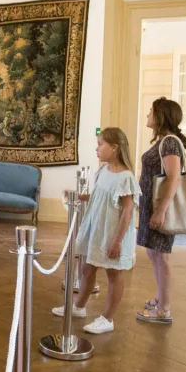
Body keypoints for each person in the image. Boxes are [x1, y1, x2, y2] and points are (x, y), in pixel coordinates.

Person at [52, 127, 138, 334]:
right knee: (87, 269)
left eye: (100, 144)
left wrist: (117, 241)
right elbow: (98, 196)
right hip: (97, 230)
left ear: (114, 147)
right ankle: (78, 306)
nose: (97, 148)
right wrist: (78, 195)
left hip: (112, 234)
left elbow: (127, 211)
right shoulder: (102, 171)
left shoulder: (126, 178)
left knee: (113, 274)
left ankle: (107, 319)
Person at [135, 98, 186, 325]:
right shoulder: (163, 142)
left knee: (162, 257)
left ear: (161, 115)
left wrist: (161, 210)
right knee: (154, 254)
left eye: (151, 111)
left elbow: (174, 177)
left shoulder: (169, 143)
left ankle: (164, 310)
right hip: (151, 207)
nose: (148, 114)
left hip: (159, 208)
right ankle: (160, 299)